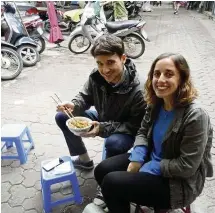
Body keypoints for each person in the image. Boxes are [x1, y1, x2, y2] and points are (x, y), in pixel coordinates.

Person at [94, 53, 213, 213]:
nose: (161, 80)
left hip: (177, 182)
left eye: (169, 74)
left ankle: (120, 198)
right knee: (102, 170)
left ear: (182, 79)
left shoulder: (196, 116)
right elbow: (142, 132)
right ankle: (120, 202)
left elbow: (187, 166)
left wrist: (151, 167)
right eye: (157, 74)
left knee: (111, 183)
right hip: (151, 158)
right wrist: (137, 158)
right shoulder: (156, 103)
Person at [55, 34, 146, 171]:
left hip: (125, 129)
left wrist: (102, 128)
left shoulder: (140, 90)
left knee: (113, 143)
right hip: (102, 117)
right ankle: (84, 160)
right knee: (63, 116)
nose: (105, 70)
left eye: (110, 62)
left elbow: (135, 126)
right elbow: (85, 97)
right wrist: (74, 105)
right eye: (100, 63)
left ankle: (107, 174)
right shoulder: (96, 75)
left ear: (123, 58)